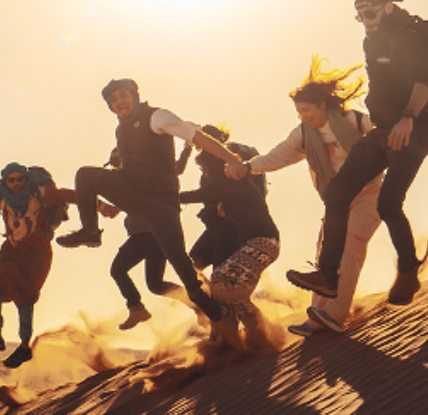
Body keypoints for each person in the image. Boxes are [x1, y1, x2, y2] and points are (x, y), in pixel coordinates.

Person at [286, 0, 428, 307]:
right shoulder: (371, 40)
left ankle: (409, 270)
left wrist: (408, 118)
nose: (365, 20)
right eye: (359, 16)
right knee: (337, 193)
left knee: (388, 204)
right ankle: (329, 275)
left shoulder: (409, 36)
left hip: (414, 129)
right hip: (384, 129)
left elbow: (423, 81)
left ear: (387, 7)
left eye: (369, 13)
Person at [57, 78, 249, 323]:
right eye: (112, 99)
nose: (118, 102)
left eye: (123, 94)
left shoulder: (156, 117)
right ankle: (90, 231)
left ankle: (205, 303)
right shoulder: (121, 129)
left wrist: (230, 158)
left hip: (160, 201)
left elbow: (196, 137)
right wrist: (107, 201)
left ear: (135, 95)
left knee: (176, 255)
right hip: (132, 189)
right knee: (85, 175)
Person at [246, 58, 383, 337]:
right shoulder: (303, 135)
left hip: (370, 192)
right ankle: (317, 317)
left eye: (307, 110)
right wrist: (248, 166)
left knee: (352, 244)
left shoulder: (354, 121)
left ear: (322, 104)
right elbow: (278, 156)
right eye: (299, 112)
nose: (303, 116)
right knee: (326, 253)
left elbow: (384, 133)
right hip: (337, 201)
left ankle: (335, 313)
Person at [181, 126, 280, 346]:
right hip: (235, 235)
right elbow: (204, 194)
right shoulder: (219, 178)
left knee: (221, 281)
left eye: (205, 168)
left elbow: (204, 194)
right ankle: (251, 331)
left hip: (256, 239)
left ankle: (237, 329)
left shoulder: (230, 172)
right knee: (201, 272)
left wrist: (167, 198)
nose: (203, 173)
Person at [0, 163, 75, 368]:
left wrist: (99, 205)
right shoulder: (2, 195)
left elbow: (68, 196)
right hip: (13, 247)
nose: (16, 184)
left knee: (24, 294)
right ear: (5, 182)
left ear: (26, 179)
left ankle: (25, 346)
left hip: (36, 251)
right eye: (12, 180)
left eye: (20, 179)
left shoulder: (42, 193)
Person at [108, 144, 194, 330]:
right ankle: (136, 308)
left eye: (117, 161)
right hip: (138, 236)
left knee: (154, 284)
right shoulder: (125, 182)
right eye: (114, 164)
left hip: (154, 234)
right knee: (118, 270)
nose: (117, 167)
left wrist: (186, 151)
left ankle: (196, 301)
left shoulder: (143, 174)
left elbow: (176, 169)